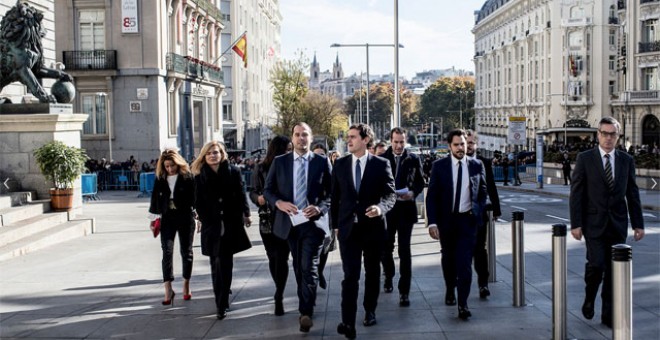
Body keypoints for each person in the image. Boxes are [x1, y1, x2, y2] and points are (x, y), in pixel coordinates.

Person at [569, 117, 645, 328]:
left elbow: (632, 193)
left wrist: (638, 224)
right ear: (598, 135)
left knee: (613, 272)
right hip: (593, 224)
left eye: (612, 134)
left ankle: (608, 314)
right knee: (596, 265)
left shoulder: (626, 160)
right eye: (604, 133)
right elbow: (576, 194)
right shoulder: (585, 159)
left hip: (617, 225)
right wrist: (576, 224)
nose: (608, 138)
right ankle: (590, 297)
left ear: (618, 137)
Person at [264, 122, 332, 333]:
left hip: (313, 225)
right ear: (292, 139)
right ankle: (305, 304)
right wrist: (279, 203)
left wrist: (319, 208)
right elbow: (268, 189)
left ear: (310, 138)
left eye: (305, 135)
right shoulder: (280, 162)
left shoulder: (322, 161)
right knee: (297, 267)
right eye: (297, 135)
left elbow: (331, 193)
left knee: (309, 267)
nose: (301, 138)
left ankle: (305, 312)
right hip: (290, 224)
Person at [331, 123, 396, 339]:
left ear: (365, 140)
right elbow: (335, 198)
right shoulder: (340, 165)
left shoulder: (381, 164)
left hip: (373, 229)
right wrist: (336, 226)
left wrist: (380, 208)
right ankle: (347, 322)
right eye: (347, 137)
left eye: (353, 137)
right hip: (349, 230)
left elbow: (390, 195)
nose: (348, 141)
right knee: (350, 276)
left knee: (372, 272)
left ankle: (370, 310)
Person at [425, 129, 487, 320]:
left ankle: (463, 304)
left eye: (463, 144)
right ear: (449, 146)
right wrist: (432, 223)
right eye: (457, 145)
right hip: (447, 221)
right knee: (448, 259)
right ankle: (450, 287)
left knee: (465, 263)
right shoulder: (439, 166)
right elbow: (432, 197)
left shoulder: (477, 165)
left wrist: (478, 213)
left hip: (467, 221)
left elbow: (482, 192)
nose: (461, 148)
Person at [192, 141, 252, 320]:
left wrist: (246, 214)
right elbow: (197, 200)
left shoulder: (233, 172)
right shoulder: (199, 176)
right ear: (204, 156)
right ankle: (220, 298)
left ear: (222, 154)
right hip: (211, 225)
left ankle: (222, 301)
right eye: (209, 153)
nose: (213, 155)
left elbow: (241, 194)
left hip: (230, 223)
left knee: (225, 263)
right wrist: (202, 217)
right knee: (215, 263)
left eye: (216, 152)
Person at [380, 127, 425, 307]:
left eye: (402, 142)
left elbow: (421, 182)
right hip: (388, 211)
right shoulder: (382, 159)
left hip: (406, 210)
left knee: (404, 250)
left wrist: (413, 193)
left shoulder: (413, 159)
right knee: (386, 248)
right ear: (391, 141)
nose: (399, 145)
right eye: (396, 142)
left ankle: (404, 291)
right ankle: (389, 275)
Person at [249, 136, 292, 316]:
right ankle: (278, 287)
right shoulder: (261, 168)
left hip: (284, 218)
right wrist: (257, 199)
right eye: (288, 149)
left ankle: (279, 294)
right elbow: (253, 191)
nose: (290, 152)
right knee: (272, 257)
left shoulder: (292, 166)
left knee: (281, 257)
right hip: (267, 218)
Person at [148, 149, 196, 306]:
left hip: (185, 217)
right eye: (167, 166)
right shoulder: (160, 178)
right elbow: (155, 198)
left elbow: (195, 198)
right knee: (167, 252)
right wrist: (153, 218)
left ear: (178, 163)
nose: (170, 169)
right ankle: (168, 289)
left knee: (186, 252)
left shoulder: (187, 177)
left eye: (172, 165)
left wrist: (199, 216)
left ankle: (186, 285)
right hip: (167, 217)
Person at [465, 130, 501, 298]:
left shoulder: (484, 162)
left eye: (471, 142)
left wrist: (496, 210)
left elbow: (491, 186)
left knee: (480, 249)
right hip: (460, 214)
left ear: (476, 144)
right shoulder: (454, 162)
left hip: (480, 213)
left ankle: (483, 284)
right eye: (466, 142)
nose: (468, 145)